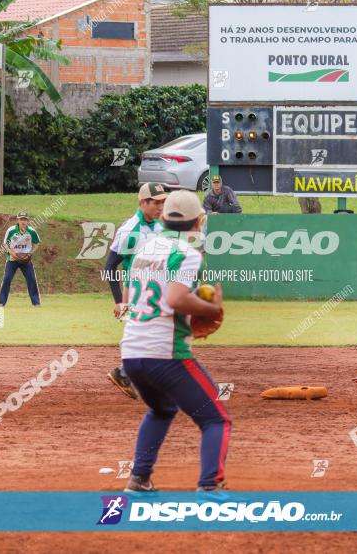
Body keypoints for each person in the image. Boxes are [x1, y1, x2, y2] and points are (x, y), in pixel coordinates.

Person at [120, 189, 230, 495]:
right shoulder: (188, 253)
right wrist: (212, 309)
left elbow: (132, 293)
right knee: (216, 419)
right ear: (199, 223)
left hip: (131, 350)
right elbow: (175, 298)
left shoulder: (146, 248)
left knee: (162, 409)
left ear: (164, 218)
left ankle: (139, 479)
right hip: (164, 352)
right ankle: (211, 486)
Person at [106, 182, 168, 399]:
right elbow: (110, 267)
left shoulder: (161, 227)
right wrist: (118, 301)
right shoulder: (130, 230)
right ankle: (127, 372)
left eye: (163, 202)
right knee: (150, 334)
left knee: (153, 335)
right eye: (156, 202)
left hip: (157, 288)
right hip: (137, 291)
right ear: (143, 202)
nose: (161, 206)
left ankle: (125, 372)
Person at [0, 211, 41, 307]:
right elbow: (5, 244)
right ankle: (1, 302)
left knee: (32, 279)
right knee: (7, 279)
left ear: (28, 221)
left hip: (26, 260)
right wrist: (12, 252)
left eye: (25, 219)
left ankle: (36, 302)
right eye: (21, 219)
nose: (23, 221)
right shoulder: (11, 230)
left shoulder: (32, 231)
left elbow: (37, 243)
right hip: (12, 259)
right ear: (18, 220)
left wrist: (31, 253)